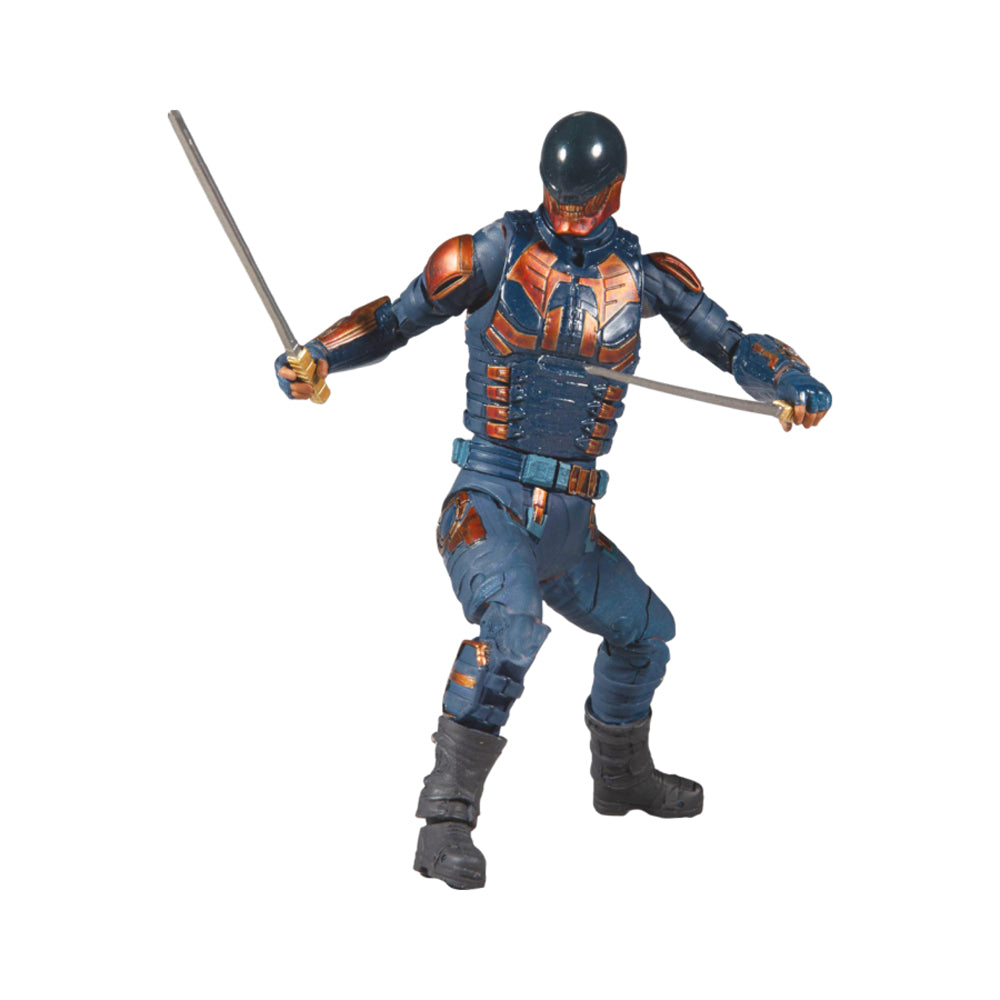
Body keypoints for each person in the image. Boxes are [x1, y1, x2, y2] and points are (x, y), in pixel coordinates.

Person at [276, 112, 832, 890]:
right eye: (560, 201)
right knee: (510, 630)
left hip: (570, 524)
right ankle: (444, 823)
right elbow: (397, 319)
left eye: (587, 203)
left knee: (646, 633)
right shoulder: (494, 252)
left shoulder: (645, 276)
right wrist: (317, 357)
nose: (569, 219)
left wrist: (791, 382)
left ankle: (621, 777)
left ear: (616, 193)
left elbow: (732, 344)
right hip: (489, 501)